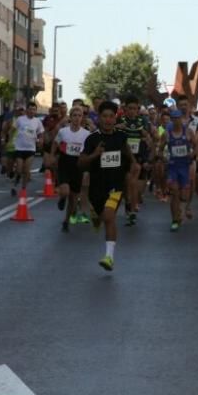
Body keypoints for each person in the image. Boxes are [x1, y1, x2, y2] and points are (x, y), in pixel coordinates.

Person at [79, 101, 133, 271]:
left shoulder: (121, 137)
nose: (108, 120)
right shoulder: (92, 138)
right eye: (105, 116)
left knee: (109, 217)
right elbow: (81, 163)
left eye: (111, 116)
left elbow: (129, 155)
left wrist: (135, 166)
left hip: (116, 186)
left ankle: (109, 256)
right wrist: (94, 154)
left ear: (115, 118)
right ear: (99, 118)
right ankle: (96, 215)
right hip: (97, 187)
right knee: (103, 216)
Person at [54, 106, 91, 233]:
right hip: (64, 163)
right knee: (65, 191)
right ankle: (62, 198)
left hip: (78, 166)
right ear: (70, 117)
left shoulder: (86, 134)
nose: (76, 118)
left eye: (79, 115)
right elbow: (55, 143)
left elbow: (88, 152)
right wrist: (53, 156)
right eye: (74, 115)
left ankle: (66, 221)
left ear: (82, 118)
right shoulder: (63, 131)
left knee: (74, 199)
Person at [119, 95, 153, 227]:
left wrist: (147, 139)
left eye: (135, 108)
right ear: (125, 109)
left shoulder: (142, 121)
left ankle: (132, 211)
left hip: (137, 157)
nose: (132, 111)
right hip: (123, 157)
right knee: (127, 185)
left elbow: (148, 137)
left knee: (133, 184)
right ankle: (129, 203)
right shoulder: (120, 120)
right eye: (130, 108)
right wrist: (118, 127)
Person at [162, 109, 195, 231]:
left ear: (181, 119)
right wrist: (164, 157)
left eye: (178, 118)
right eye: (174, 118)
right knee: (174, 192)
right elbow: (160, 150)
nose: (176, 121)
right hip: (172, 167)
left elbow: (196, 145)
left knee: (183, 195)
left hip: (185, 167)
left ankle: (181, 210)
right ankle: (174, 220)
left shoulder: (188, 132)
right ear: (172, 119)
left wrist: (193, 154)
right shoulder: (166, 134)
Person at [11, 102, 45, 197]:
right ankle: (15, 185)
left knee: (26, 170)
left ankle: (23, 189)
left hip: (31, 149)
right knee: (18, 169)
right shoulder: (20, 119)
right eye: (30, 109)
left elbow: (41, 133)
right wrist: (10, 139)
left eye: (34, 109)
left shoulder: (37, 121)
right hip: (19, 148)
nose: (32, 111)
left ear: (35, 111)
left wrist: (41, 140)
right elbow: (13, 129)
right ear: (27, 110)